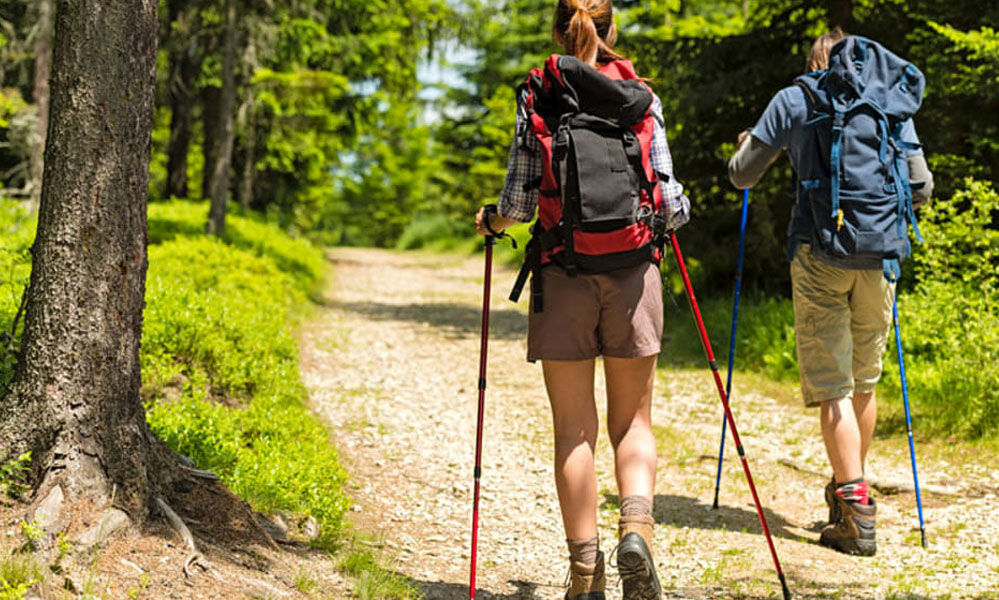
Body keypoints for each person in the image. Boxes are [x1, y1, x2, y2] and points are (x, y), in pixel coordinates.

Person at [474, 1, 689, 598]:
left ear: (558, 30)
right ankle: (636, 531)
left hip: (561, 273)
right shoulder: (641, 96)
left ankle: (586, 575)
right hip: (632, 275)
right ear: (612, 29)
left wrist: (492, 222)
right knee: (634, 423)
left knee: (574, 431)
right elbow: (670, 199)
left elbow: (519, 203)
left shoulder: (538, 93)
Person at [727, 28, 934, 557]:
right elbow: (922, 187)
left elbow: (742, 176)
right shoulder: (891, 101)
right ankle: (849, 489)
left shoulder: (796, 97)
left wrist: (745, 148)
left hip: (819, 251)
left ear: (815, 59)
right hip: (881, 257)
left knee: (833, 386)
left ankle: (855, 509)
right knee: (864, 379)